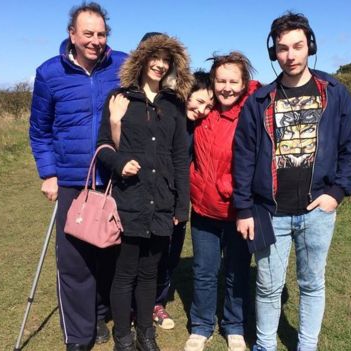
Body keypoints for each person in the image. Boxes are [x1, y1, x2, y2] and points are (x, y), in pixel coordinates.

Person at [233, 12, 351, 351]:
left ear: (310, 47)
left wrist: (337, 192)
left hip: (317, 211)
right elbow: (244, 156)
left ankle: (307, 345)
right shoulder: (259, 100)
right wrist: (243, 208)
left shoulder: (334, 92)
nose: (290, 55)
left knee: (311, 284)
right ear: (273, 53)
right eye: (282, 48)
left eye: (298, 46)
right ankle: (264, 345)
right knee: (267, 286)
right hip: (269, 211)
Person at [28, 3, 127, 350]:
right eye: (88, 33)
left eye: (101, 34)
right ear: (72, 34)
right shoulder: (49, 73)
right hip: (71, 179)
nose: (95, 41)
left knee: (111, 254)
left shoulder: (122, 65)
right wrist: (49, 173)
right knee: (74, 262)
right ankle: (79, 337)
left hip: (114, 177)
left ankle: (100, 312)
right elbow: (39, 131)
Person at [97, 32, 192, 351]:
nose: (160, 65)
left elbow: (181, 156)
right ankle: (123, 338)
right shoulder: (119, 98)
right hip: (128, 201)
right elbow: (103, 147)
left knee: (150, 274)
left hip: (162, 203)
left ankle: (145, 335)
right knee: (124, 275)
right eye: (155, 57)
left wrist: (182, 205)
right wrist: (119, 162)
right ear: (141, 58)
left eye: (166, 60)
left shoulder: (175, 105)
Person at [184, 52, 260, 351]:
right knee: (204, 270)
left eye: (233, 81)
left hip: (239, 210)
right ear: (212, 82)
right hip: (204, 208)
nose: (226, 87)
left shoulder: (252, 112)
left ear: (244, 84)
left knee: (236, 271)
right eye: (220, 81)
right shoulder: (203, 110)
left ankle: (234, 326)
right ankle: (201, 325)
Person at [152, 71, 214, 331]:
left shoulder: (198, 127)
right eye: (198, 101)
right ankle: (138, 303)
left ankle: (157, 301)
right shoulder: (164, 116)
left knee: (171, 253)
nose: (202, 110)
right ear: (185, 94)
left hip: (179, 200)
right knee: (150, 253)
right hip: (154, 197)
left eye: (209, 106)